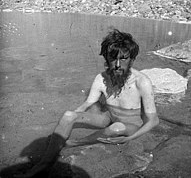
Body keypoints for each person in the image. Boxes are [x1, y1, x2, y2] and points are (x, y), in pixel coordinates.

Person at [15, 28, 159, 177]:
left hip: (131, 125)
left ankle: (73, 144)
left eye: (123, 59)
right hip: (109, 117)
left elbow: (153, 120)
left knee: (116, 128)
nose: (117, 64)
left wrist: (130, 138)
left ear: (132, 60)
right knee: (68, 115)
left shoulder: (142, 82)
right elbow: (87, 104)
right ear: (106, 59)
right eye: (112, 58)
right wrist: (71, 119)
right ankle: (43, 165)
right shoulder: (101, 78)